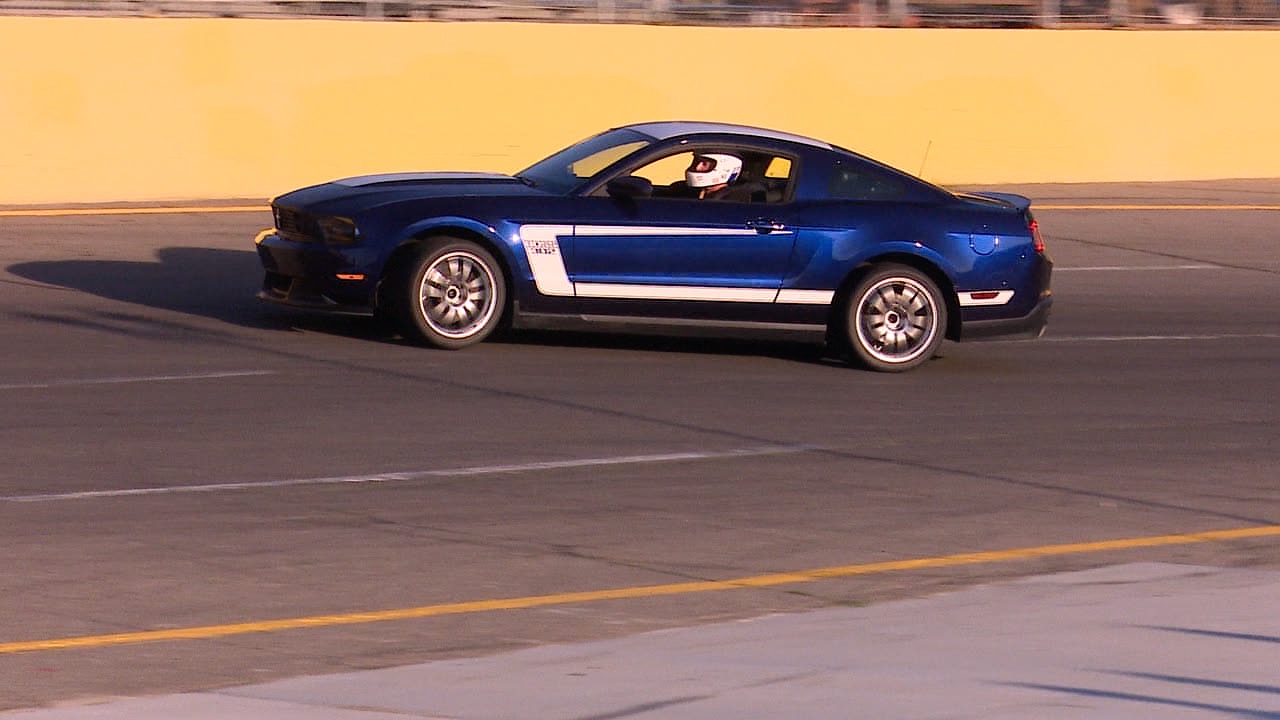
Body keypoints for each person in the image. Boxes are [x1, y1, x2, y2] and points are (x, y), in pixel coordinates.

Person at [683, 153, 753, 201]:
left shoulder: (735, 199)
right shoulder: (684, 191)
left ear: (724, 168)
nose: (697, 167)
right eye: (696, 162)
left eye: (704, 164)